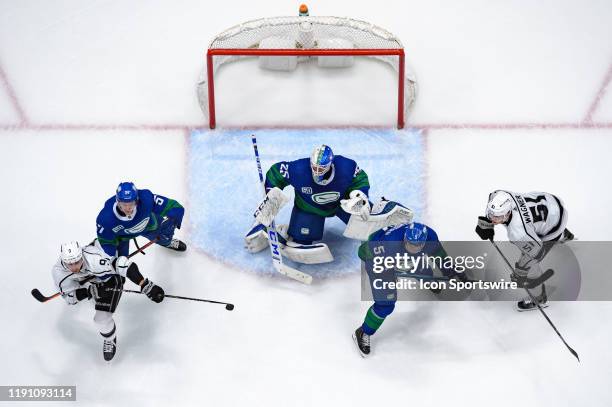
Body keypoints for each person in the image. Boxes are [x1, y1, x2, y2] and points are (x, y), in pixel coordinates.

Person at [353, 222, 467, 357]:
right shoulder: (387, 243)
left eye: (417, 245)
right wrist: (386, 271)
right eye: (410, 244)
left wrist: (449, 269)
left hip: (399, 257)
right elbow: (362, 252)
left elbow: (438, 253)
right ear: (404, 239)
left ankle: (428, 281)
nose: (413, 248)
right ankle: (363, 331)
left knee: (422, 270)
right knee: (385, 305)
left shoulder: (430, 236)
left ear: (424, 242)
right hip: (379, 262)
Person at [244, 145, 371, 264]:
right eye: (313, 166)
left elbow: (360, 178)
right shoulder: (298, 169)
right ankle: (280, 232)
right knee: (301, 240)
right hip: (310, 208)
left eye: (320, 168)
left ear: (330, 164)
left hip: (342, 204)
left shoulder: (346, 166)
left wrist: (360, 195)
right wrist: (270, 195)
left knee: (366, 218)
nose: (316, 171)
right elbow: (276, 172)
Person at [52, 241, 164, 361]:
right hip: (95, 278)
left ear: (81, 256)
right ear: (63, 261)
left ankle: (109, 339)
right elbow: (70, 298)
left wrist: (145, 284)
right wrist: (88, 292)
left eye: (77, 262)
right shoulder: (59, 272)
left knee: (101, 320)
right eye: (69, 264)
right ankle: (110, 338)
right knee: (99, 319)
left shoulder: (94, 259)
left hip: (110, 278)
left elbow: (124, 265)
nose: (74, 267)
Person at [475, 190, 574, 311]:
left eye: (498, 217)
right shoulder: (500, 196)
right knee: (536, 228)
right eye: (491, 214)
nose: (493, 219)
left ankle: (539, 298)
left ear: (507, 213)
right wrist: (487, 224)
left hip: (555, 221)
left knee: (531, 267)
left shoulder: (518, 232)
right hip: (551, 202)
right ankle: (561, 233)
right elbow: (492, 194)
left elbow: (537, 252)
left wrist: (522, 270)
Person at [96, 182, 186, 258]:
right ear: (118, 202)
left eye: (131, 204)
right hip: (123, 236)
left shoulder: (146, 198)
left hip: (148, 225)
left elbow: (174, 206)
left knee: (164, 238)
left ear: (137, 200)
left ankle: (167, 243)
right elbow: (106, 242)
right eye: (124, 204)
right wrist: (110, 261)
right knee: (121, 263)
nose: (128, 208)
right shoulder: (105, 219)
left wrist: (172, 221)